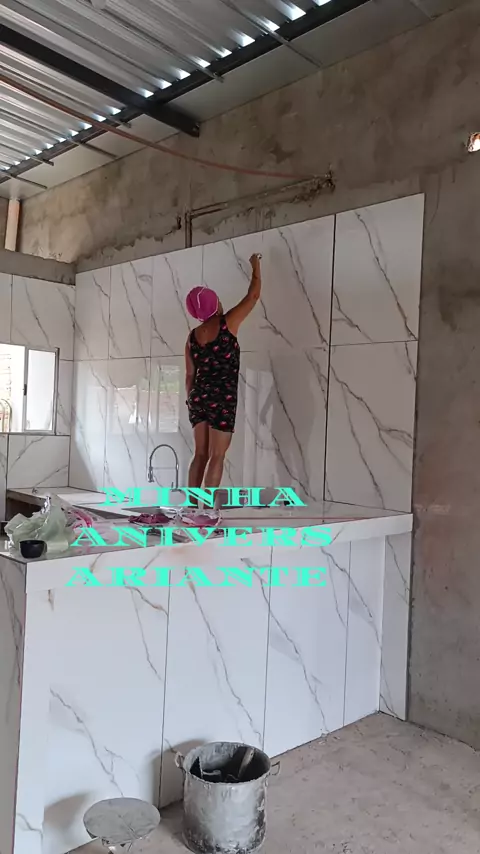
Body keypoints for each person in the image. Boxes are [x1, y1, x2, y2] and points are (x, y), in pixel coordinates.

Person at [185, 253, 262, 490]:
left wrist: (192, 400)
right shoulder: (227, 324)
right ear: (214, 304)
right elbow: (253, 296)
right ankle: (207, 509)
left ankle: (192, 506)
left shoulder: (192, 337)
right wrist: (256, 266)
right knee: (217, 455)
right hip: (221, 396)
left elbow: (190, 375)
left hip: (198, 396)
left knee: (200, 454)